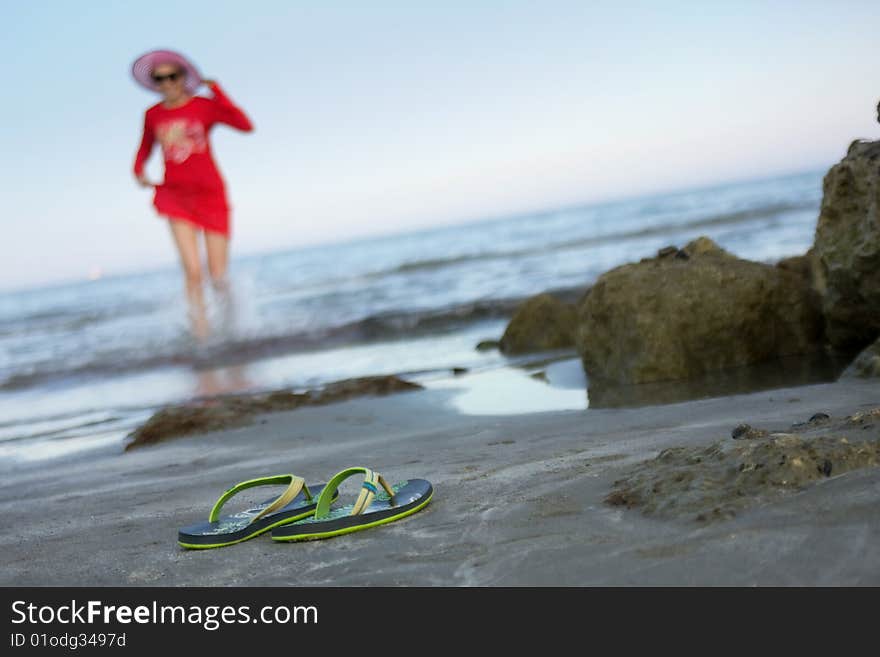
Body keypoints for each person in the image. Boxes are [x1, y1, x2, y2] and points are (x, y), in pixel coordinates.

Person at [131, 49, 253, 339]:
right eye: (159, 79)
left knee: (218, 277)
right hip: (175, 195)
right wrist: (138, 171)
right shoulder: (152, 115)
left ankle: (234, 329)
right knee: (193, 272)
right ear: (154, 83)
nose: (167, 83)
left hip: (210, 193)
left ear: (184, 77)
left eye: (173, 76)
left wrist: (217, 91)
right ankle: (202, 339)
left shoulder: (203, 106)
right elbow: (144, 148)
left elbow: (245, 125)